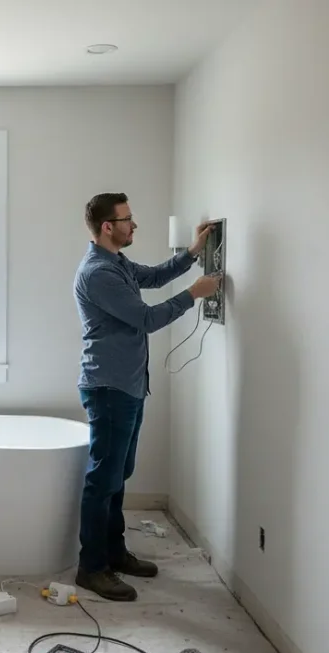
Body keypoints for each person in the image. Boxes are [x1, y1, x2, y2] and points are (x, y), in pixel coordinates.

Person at [72, 192, 221, 602]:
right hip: (109, 388)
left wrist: (192, 252)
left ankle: (115, 553)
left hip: (129, 384)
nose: (134, 225)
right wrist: (195, 293)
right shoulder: (98, 273)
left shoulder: (116, 263)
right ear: (108, 227)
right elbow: (147, 319)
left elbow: (153, 277)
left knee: (118, 476)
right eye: (127, 219)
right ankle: (92, 568)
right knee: (103, 480)